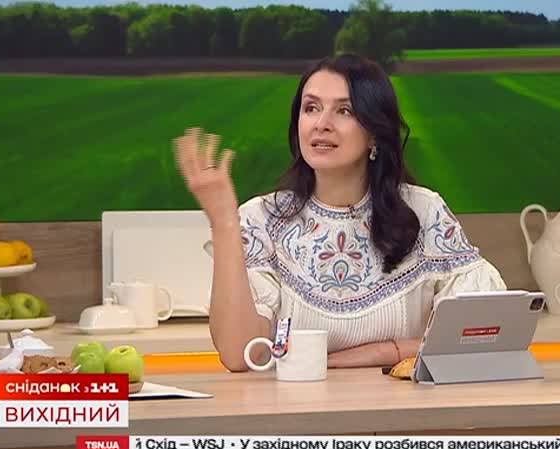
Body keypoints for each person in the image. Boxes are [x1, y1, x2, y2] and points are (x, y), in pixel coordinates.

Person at [173, 53, 507, 372]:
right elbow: (241, 355)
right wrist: (224, 223)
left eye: (344, 111)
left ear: (374, 131)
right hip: (295, 409)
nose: (322, 124)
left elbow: (485, 333)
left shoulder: (424, 212)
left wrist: (381, 353)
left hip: (404, 408)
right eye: (311, 108)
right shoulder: (262, 220)